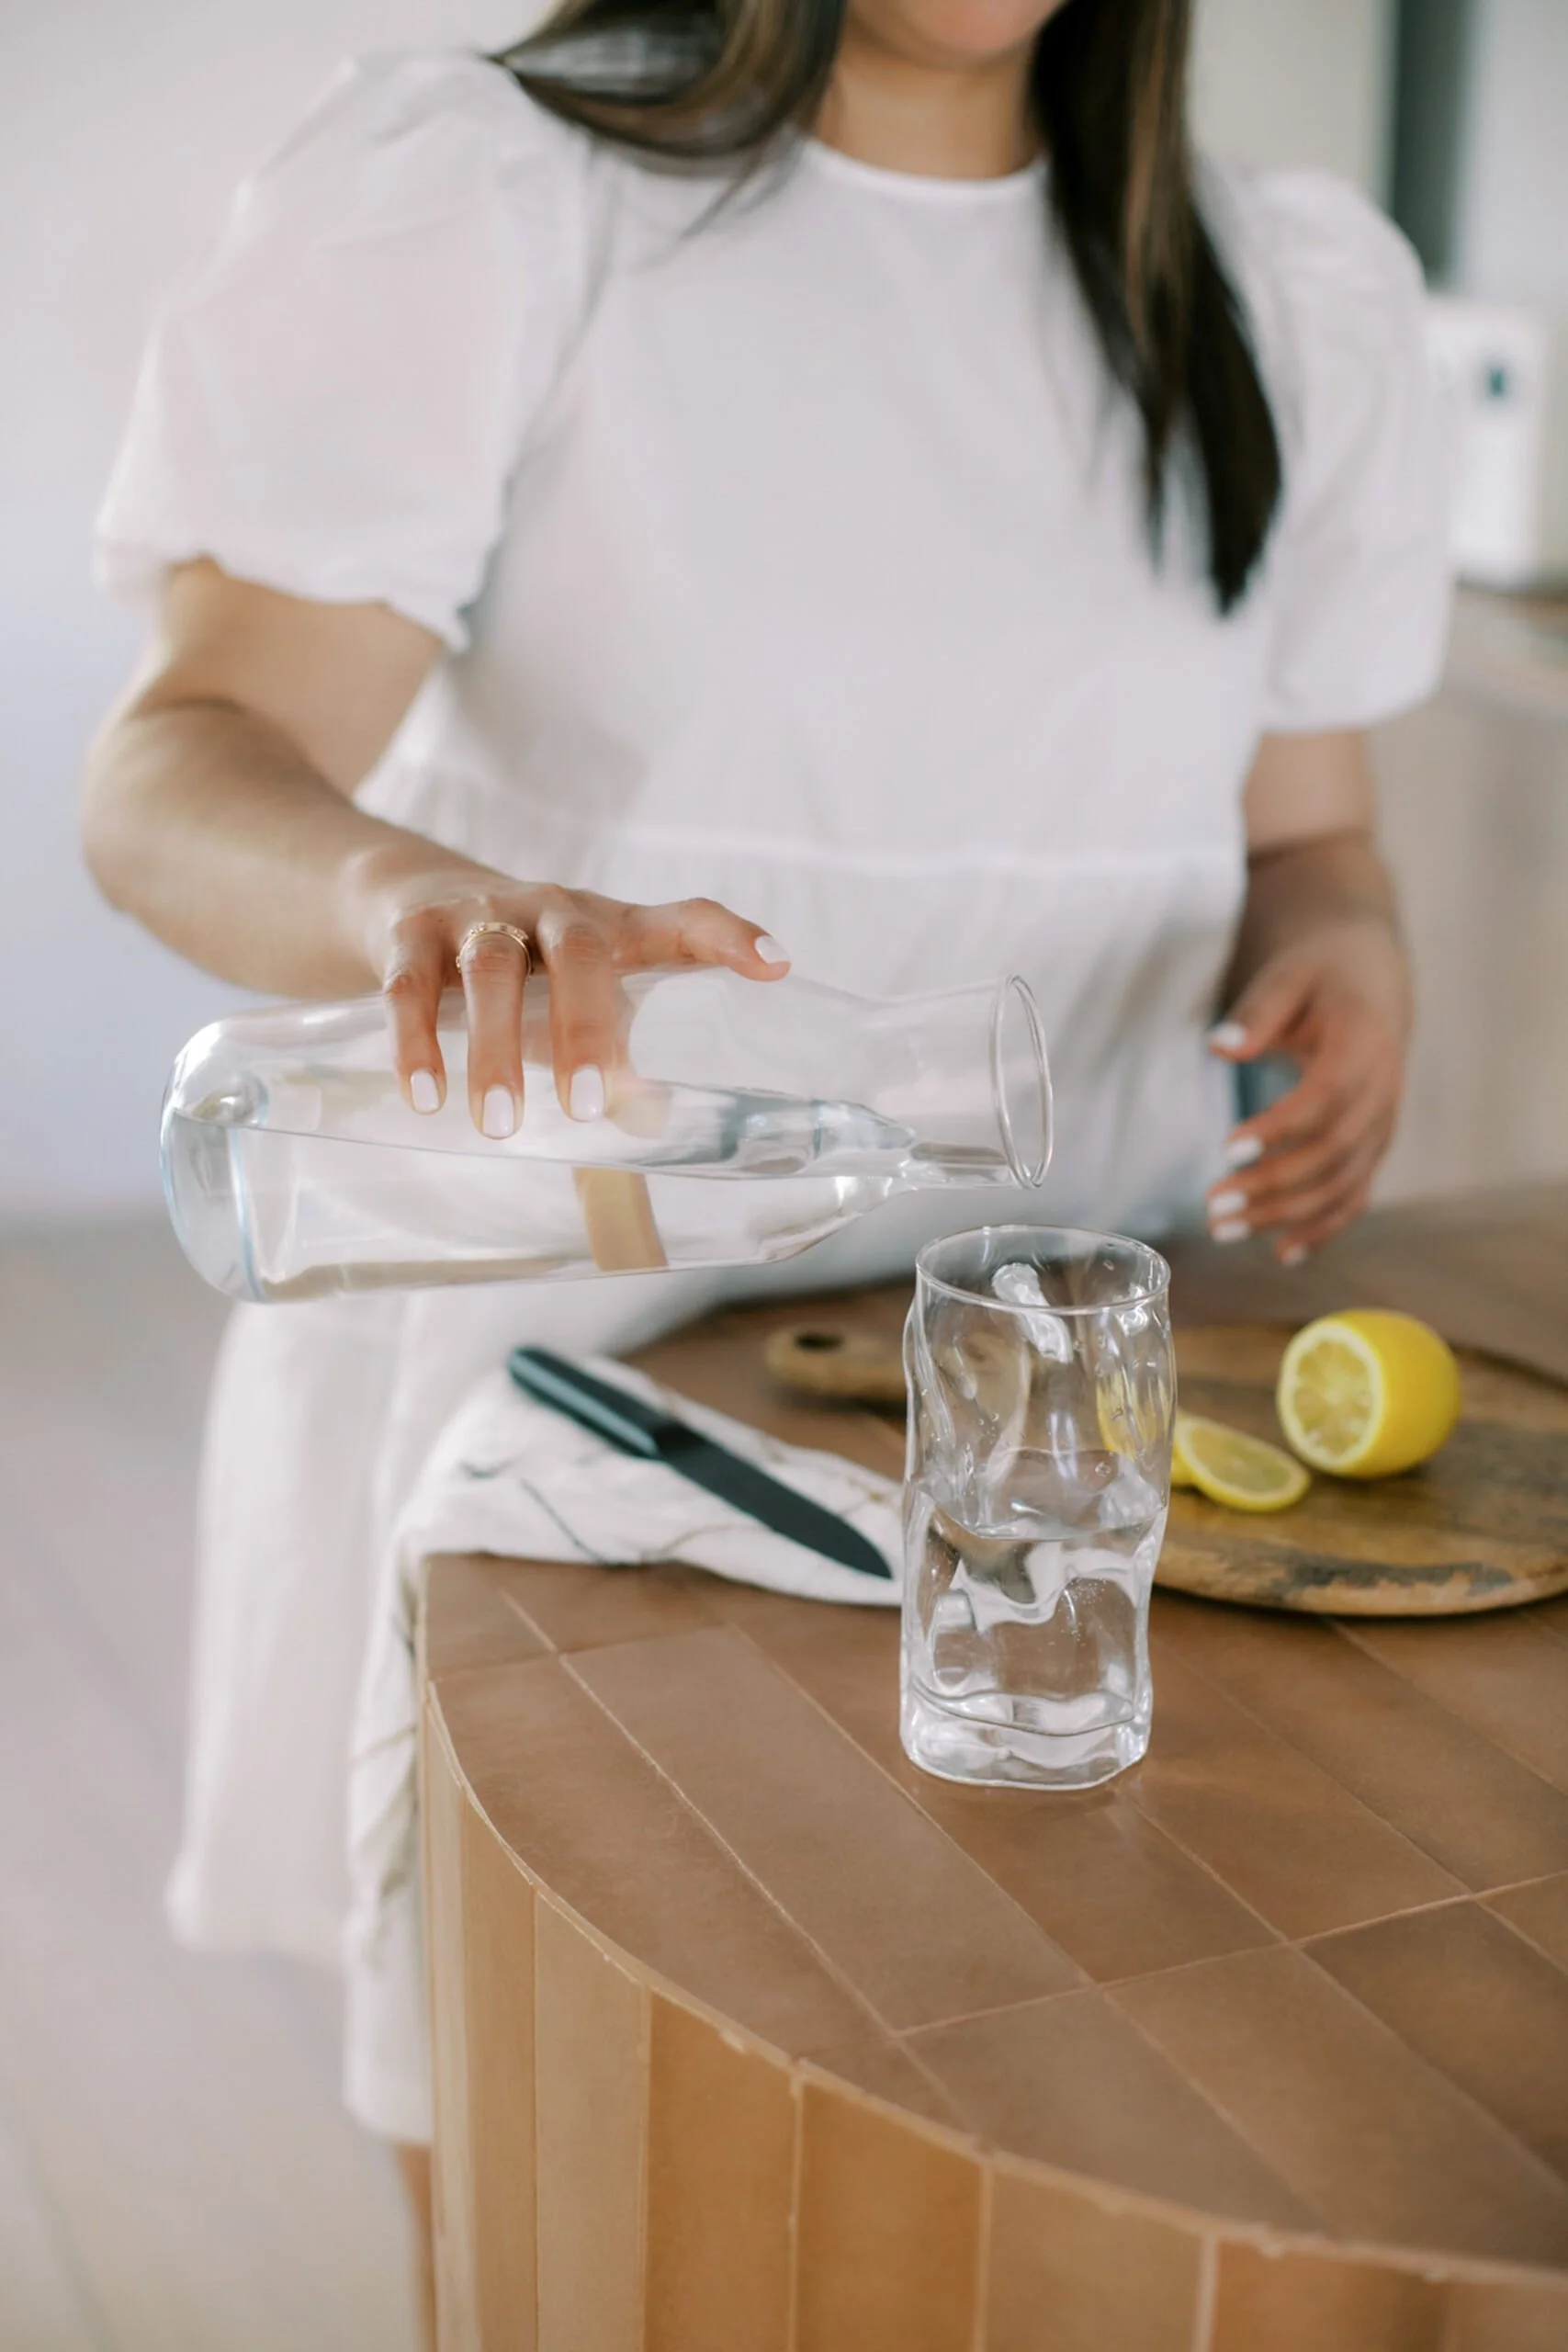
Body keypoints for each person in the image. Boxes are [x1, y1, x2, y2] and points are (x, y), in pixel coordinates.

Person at [84, 0, 1449, 2326]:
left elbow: (1307, 835)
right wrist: (404, 896)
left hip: (1053, 1456)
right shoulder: (509, 193)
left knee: (1053, 2149)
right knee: (589, 2182)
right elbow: (177, 767)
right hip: (576, 1398)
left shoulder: (1278, 290)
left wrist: (1343, 949)